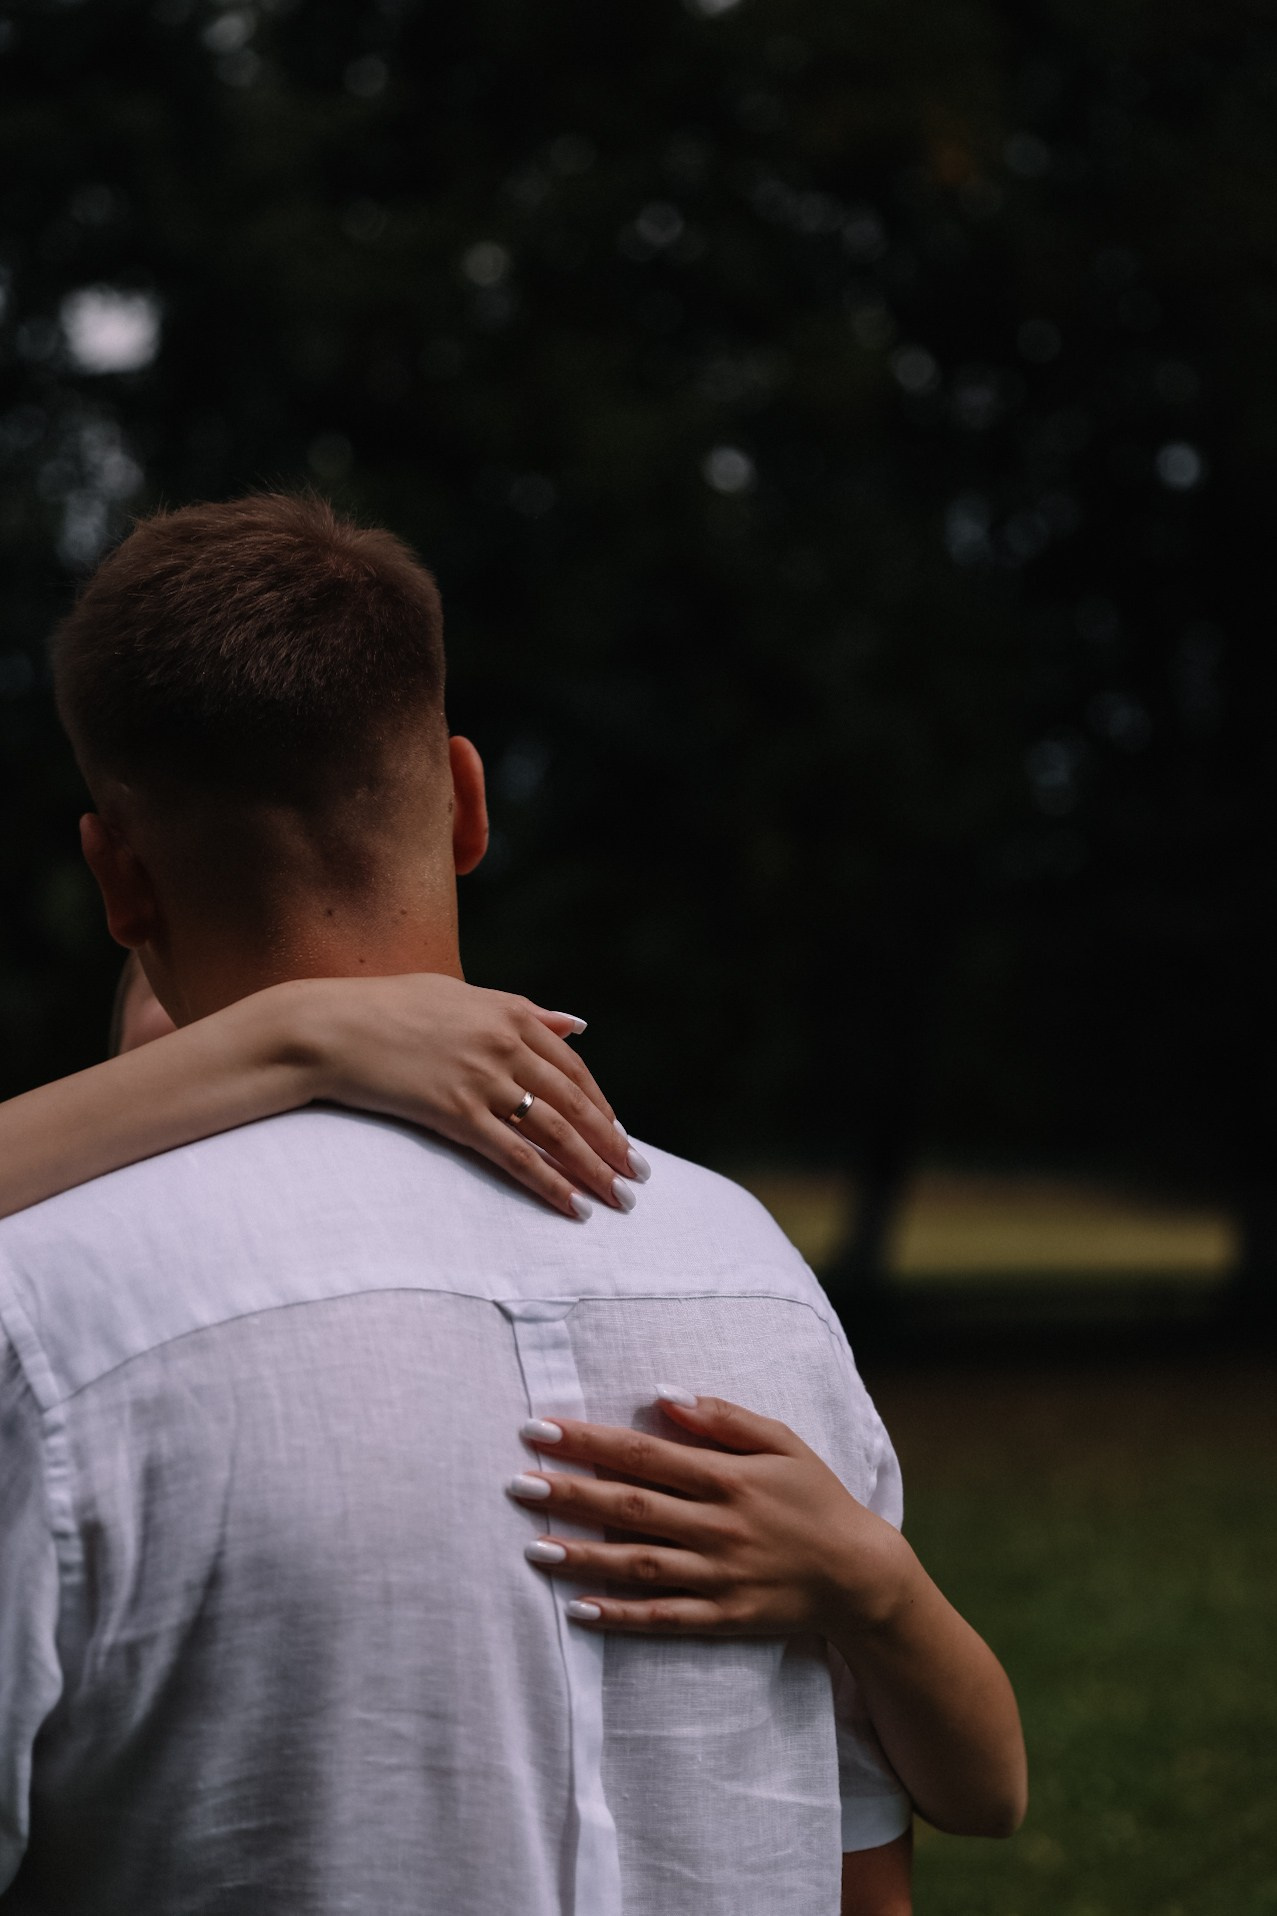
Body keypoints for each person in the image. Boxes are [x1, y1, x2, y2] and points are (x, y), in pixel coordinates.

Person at [0, 494, 1024, 1916]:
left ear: (119, 878)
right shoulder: (752, 1274)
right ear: (468, 800)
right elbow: (866, 1858)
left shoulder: (42, 1323)